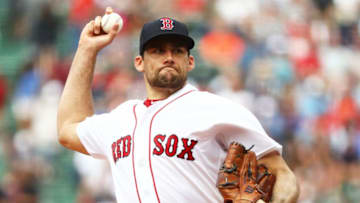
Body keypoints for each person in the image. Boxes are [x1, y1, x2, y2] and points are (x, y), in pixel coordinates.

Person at [57, 7, 299, 203]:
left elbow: (282, 175)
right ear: (139, 62)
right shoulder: (120, 119)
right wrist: (86, 49)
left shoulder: (218, 109)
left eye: (177, 50)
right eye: (158, 50)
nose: (168, 56)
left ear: (190, 61)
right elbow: (68, 128)